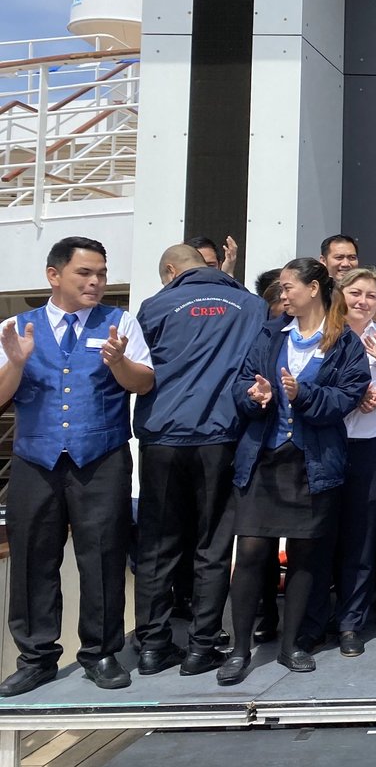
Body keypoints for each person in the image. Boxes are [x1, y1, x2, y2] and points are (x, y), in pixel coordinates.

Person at [0, 237, 154, 696]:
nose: (96, 282)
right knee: (32, 557)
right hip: (35, 458)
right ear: (54, 275)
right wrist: (16, 363)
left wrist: (118, 362)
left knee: (103, 554)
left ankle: (101, 652)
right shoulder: (16, 328)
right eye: (85, 273)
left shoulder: (121, 322)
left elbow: (144, 383)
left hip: (100, 456)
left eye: (101, 274)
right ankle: (36, 657)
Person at [218, 259, 372, 685]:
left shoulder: (344, 341)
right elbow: (240, 384)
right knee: (251, 551)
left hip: (313, 461)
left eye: (289, 287)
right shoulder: (270, 334)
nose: (282, 295)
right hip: (265, 457)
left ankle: (292, 645)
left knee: (305, 555)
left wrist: (303, 394)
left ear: (314, 288)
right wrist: (255, 395)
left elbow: (346, 397)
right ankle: (240, 649)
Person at [132, 244, 267, 677]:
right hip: (220, 436)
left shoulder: (155, 306)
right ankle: (201, 647)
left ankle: (152, 646)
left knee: (157, 543)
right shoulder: (250, 305)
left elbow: (138, 368)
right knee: (213, 544)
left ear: (171, 270)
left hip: (163, 437)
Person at [302, 268, 376, 657]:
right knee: (319, 539)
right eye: (356, 293)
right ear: (340, 293)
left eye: (372, 295)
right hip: (322, 446)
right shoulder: (320, 334)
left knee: (362, 539)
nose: (364, 302)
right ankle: (313, 623)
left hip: (370, 447)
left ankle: (351, 623)